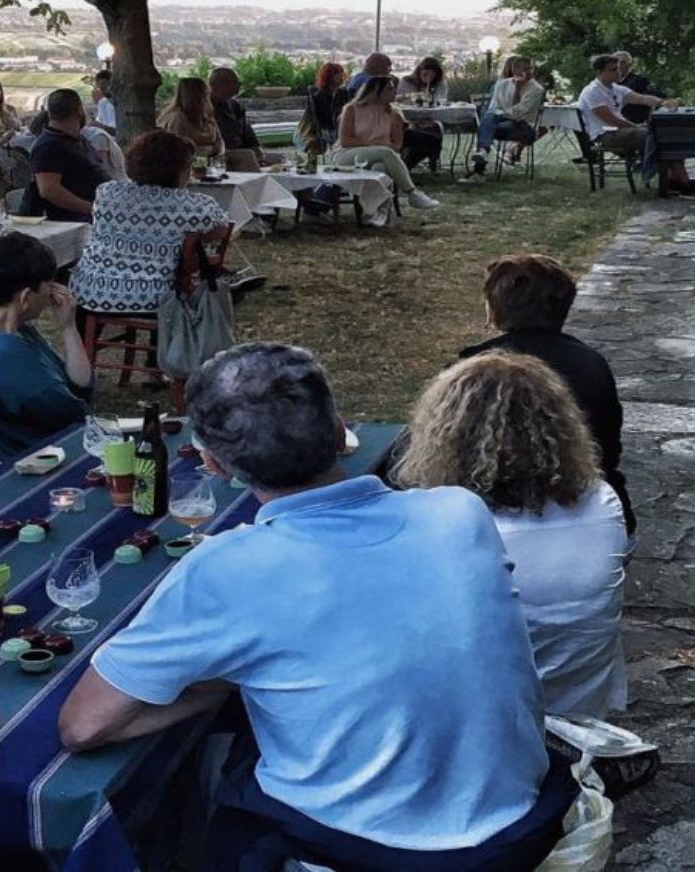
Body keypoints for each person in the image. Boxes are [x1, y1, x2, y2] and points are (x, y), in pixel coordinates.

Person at [59, 343, 576, 871]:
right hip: (519, 823)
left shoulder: (226, 569)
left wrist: (229, 680)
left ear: (213, 464)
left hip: (367, 849)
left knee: (199, 792)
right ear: (340, 430)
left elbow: (83, 727)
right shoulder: (458, 511)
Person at [395, 351, 628, 719]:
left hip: (491, 726)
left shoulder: (440, 527)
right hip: (581, 709)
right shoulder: (603, 503)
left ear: (447, 435)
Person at [459, 252, 635, 536]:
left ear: (493, 309)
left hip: (497, 526)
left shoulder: (468, 370)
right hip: (597, 517)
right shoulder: (592, 363)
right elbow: (609, 449)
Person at [0, 232, 92, 456]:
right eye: (48, 285)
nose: (52, 293)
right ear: (25, 296)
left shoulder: (10, 332)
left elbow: (80, 388)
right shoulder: (3, 355)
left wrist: (69, 327)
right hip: (28, 466)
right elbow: (76, 413)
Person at [71, 130, 231, 313]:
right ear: (180, 169)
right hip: (153, 296)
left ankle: (82, 340)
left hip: (91, 289)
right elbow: (221, 229)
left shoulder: (107, 193)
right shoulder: (192, 205)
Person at [575, 54, 695, 196]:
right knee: (657, 138)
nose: (617, 72)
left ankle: (673, 180)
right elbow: (610, 120)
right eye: (612, 70)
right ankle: (681, 183)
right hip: (604, 134)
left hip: (620, 131)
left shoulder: (616, 88)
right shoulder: (592, 91)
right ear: (599, 72)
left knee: (667, 137)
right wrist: (636, 127)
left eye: (617, 69)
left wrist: (663, 102)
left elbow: (641, 98)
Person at [333, 76, 440, 209]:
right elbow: (346, 141)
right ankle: (412, 192)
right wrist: (376, 144)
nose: (394, 91)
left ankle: (376, 212)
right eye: (389, 89)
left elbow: (397, 145)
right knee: (385, 152)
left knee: (380, 168)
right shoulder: (351, 109)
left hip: (383, 155)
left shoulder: (395, 114)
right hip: (347, 155)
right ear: (376, 92)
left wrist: (377, 146)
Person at [20, 88, 110, 221]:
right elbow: (49, 190)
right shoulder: (48, 146)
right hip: (77, 221)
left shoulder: (75, 139)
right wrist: (91, 208)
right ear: (79, 110)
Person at [462, 55, 545, 182]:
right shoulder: (501, 85)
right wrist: (501, 114)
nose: (529, 72)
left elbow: (519, 112)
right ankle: (482, 152)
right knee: (489, 119)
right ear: (515, 70)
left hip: (524, 126)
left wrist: (517, 90)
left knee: (487, 125)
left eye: (530, 69)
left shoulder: (536, 89)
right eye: (525, 69)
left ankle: (479, 168)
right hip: (501, 122)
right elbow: (494, 107)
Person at [208, 67, 263, 171]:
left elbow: (250, 139)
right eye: (232, 82)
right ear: (214, 85)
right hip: (218, 157)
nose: (238, 86)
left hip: (240, 156)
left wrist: (259, 155)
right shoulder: (203, 108)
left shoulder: (235, 107)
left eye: (238, 82)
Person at [157, 77, 226, 159]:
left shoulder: (206, 117)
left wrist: (217, 151)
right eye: (205, 94)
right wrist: (207, 151)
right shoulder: (177, 118)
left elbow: (220, 142)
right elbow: (177, 148)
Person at [615, 52, 666, 125]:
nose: (618, 66)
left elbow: (658, 95)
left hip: (636, 123)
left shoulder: (640, 81)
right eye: (615, 63)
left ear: (628, 64)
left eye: (622, 62)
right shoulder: (611, 84)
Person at [93, 69, 116, 133]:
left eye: (105, 84)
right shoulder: (102, 102)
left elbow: (118, 131)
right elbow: (100, 121)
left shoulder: (122, 103)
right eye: (100, 86)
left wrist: (102, 127)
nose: (102, 88)